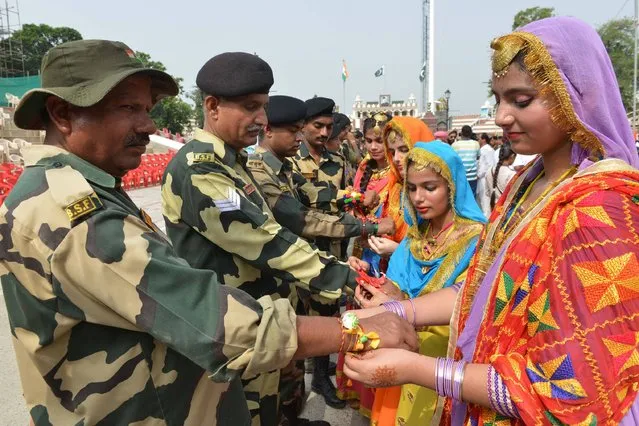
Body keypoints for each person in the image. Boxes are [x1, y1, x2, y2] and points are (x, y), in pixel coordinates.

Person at [0, 40, 418, 426]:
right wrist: (355, 326)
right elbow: (214, 313)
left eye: (147, 109)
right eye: (128, 108)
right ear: (62, 114)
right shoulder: (68, 211)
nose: (148, 125)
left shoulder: (86, 189)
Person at [341, 17, 639, 425]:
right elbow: (485, 291)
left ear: (575, 95)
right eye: (498, 98)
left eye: (520, 100)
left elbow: (567, 389)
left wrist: (416, 369)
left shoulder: (600, 210)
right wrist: (401, 311)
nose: (500, 116)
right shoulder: (528, 181)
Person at [160, 53, 381, 424]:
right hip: (238, 328)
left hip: (266, 321)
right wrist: (351, 282)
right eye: (250, 107)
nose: (261, 120)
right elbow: (270, 242)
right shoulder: (200, 171)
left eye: (262, 107)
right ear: (213, 107)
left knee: (278, 407)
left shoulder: (231, 162)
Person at [247, 95, 396, 425]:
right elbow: (302, 218)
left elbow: (321, 196)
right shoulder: (260, 170)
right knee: (283, 352)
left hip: (306, 262)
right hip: (292, 265)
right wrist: (367, 226)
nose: (300, 138)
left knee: (291, 357)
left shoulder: (283, 167)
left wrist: (355, 199)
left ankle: (294, 409)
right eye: (295, 131)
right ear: (269, 131)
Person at [354, 141, 486, 426]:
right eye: (412, 188)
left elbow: (469, 308)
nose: (418, 198)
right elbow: (396, 287)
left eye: (430, 187)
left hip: (443, 365)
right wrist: (376, 287)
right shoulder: (414, 238)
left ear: (452, 186)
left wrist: (400, 306)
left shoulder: (477, 241)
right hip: (402, 353)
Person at [483, 142, 516, 212]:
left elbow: (487, 192)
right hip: (505, 210)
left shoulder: (489, 171)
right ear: (512, 156)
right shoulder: (511, 174)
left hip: (493, 208)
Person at [451, 125, 481, 196]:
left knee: (460, 197)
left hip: (459, 176)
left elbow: (453, 160)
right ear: (471, 133)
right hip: (472, 177)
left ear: (461, 133)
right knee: (472, 197)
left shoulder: (455, 145)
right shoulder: (476, 144)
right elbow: (478, 157)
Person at [476, 132, 497, 216]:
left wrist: (479, 175)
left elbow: (489, 165)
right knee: (481, 200)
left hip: (484, 178)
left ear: (483, 139)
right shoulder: (486, 149)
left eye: (479, 138)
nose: (478, 140)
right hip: (483, 177)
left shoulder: (486, 150)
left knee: (485, 201)